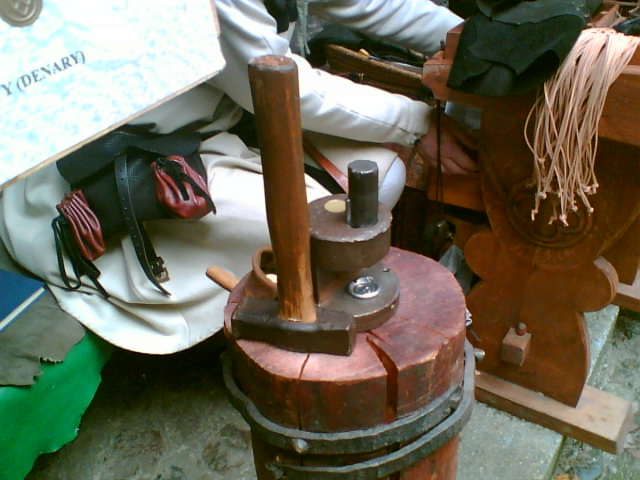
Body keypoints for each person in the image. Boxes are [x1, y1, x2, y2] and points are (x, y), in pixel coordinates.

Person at [0, 0, 476, 354]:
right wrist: (418, 123)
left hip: (218, 121)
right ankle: (256, 332)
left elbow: (370, 3)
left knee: (380, 176)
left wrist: (476, 42)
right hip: (118, 160)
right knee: (312, 232)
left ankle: (284, 298)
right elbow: (281, 84)